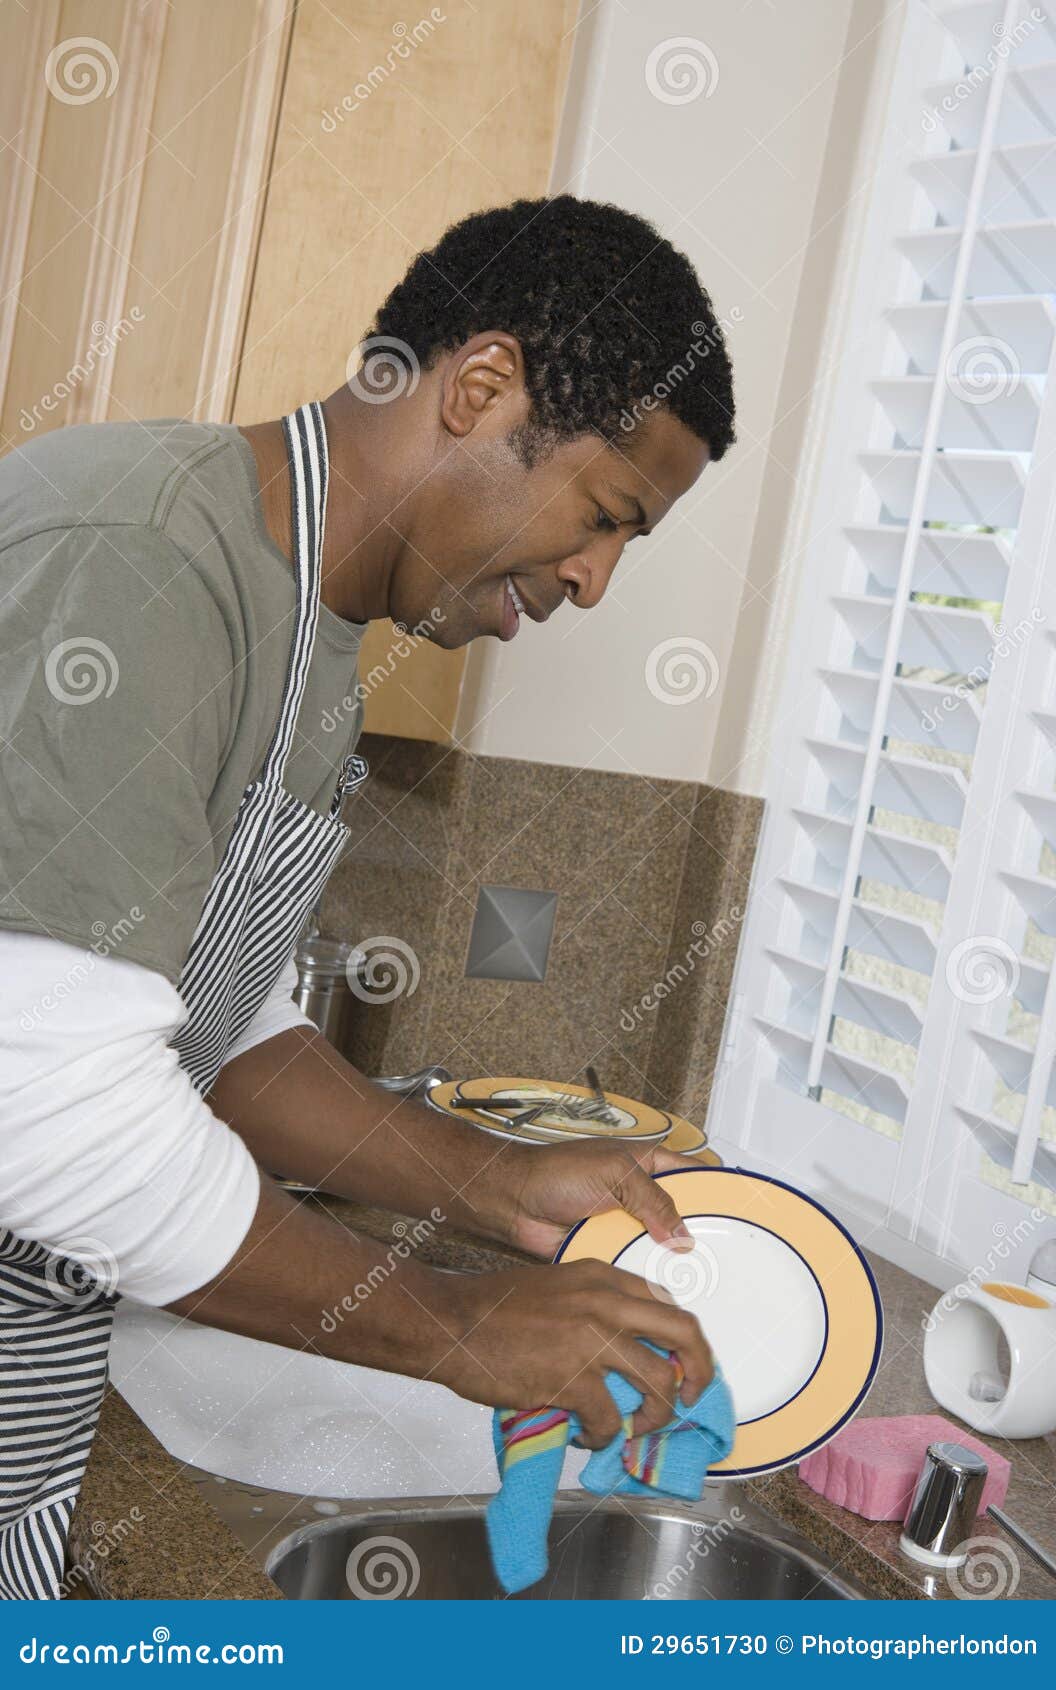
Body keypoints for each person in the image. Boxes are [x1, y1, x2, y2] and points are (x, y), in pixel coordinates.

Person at [0, 194, 736, 1597]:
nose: (593, 580)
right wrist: (462, 1326)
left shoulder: (309, 635)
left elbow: (221, 1024)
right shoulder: (142, 558)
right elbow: (49, 1103)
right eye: (604, 515)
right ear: (477, 388)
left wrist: (499, 1181)